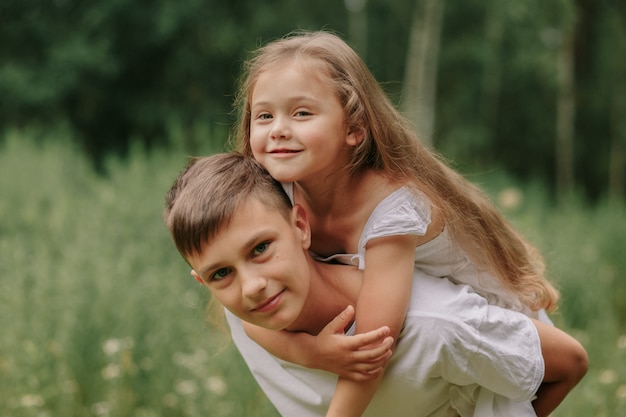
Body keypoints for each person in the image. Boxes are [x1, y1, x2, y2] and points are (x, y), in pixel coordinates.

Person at [231, 30, 587, 416]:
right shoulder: (277, 194)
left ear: (354, 128)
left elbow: (373, 345)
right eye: (264, 115)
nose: (278, 128)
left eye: (302, 113)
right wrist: (312, 352)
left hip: (487, 320)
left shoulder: (391, 209)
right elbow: (243, 313)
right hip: (427, 328)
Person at [164, 153, 587, 417]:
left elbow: (570, 362)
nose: (251, 286)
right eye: (221, 274)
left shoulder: (433, 326)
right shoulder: (252, 314)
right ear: (202, 281)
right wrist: (309, 352)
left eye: (260, 249)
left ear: (300, 226)